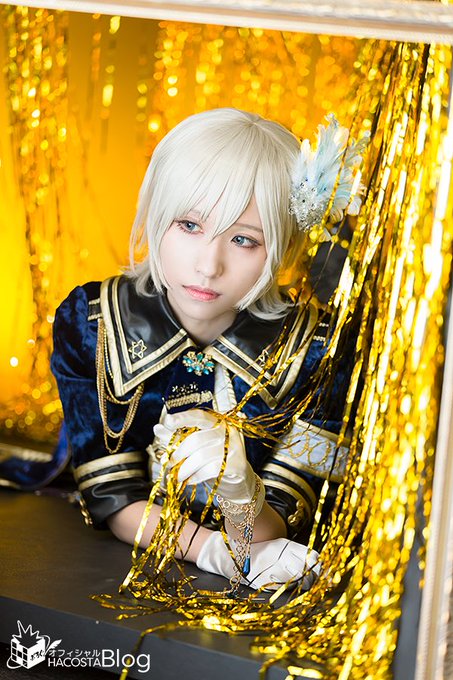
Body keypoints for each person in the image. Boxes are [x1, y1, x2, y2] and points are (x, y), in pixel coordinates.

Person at [51, 108, 366, 592]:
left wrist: (242, 494)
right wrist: (212, 551)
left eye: (243, 239)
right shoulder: (93, 323)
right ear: (157, 215)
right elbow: (112, 496)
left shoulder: (319, 353)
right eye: (189, 225)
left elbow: (283, 521)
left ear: (284, 248)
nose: (209, 265)